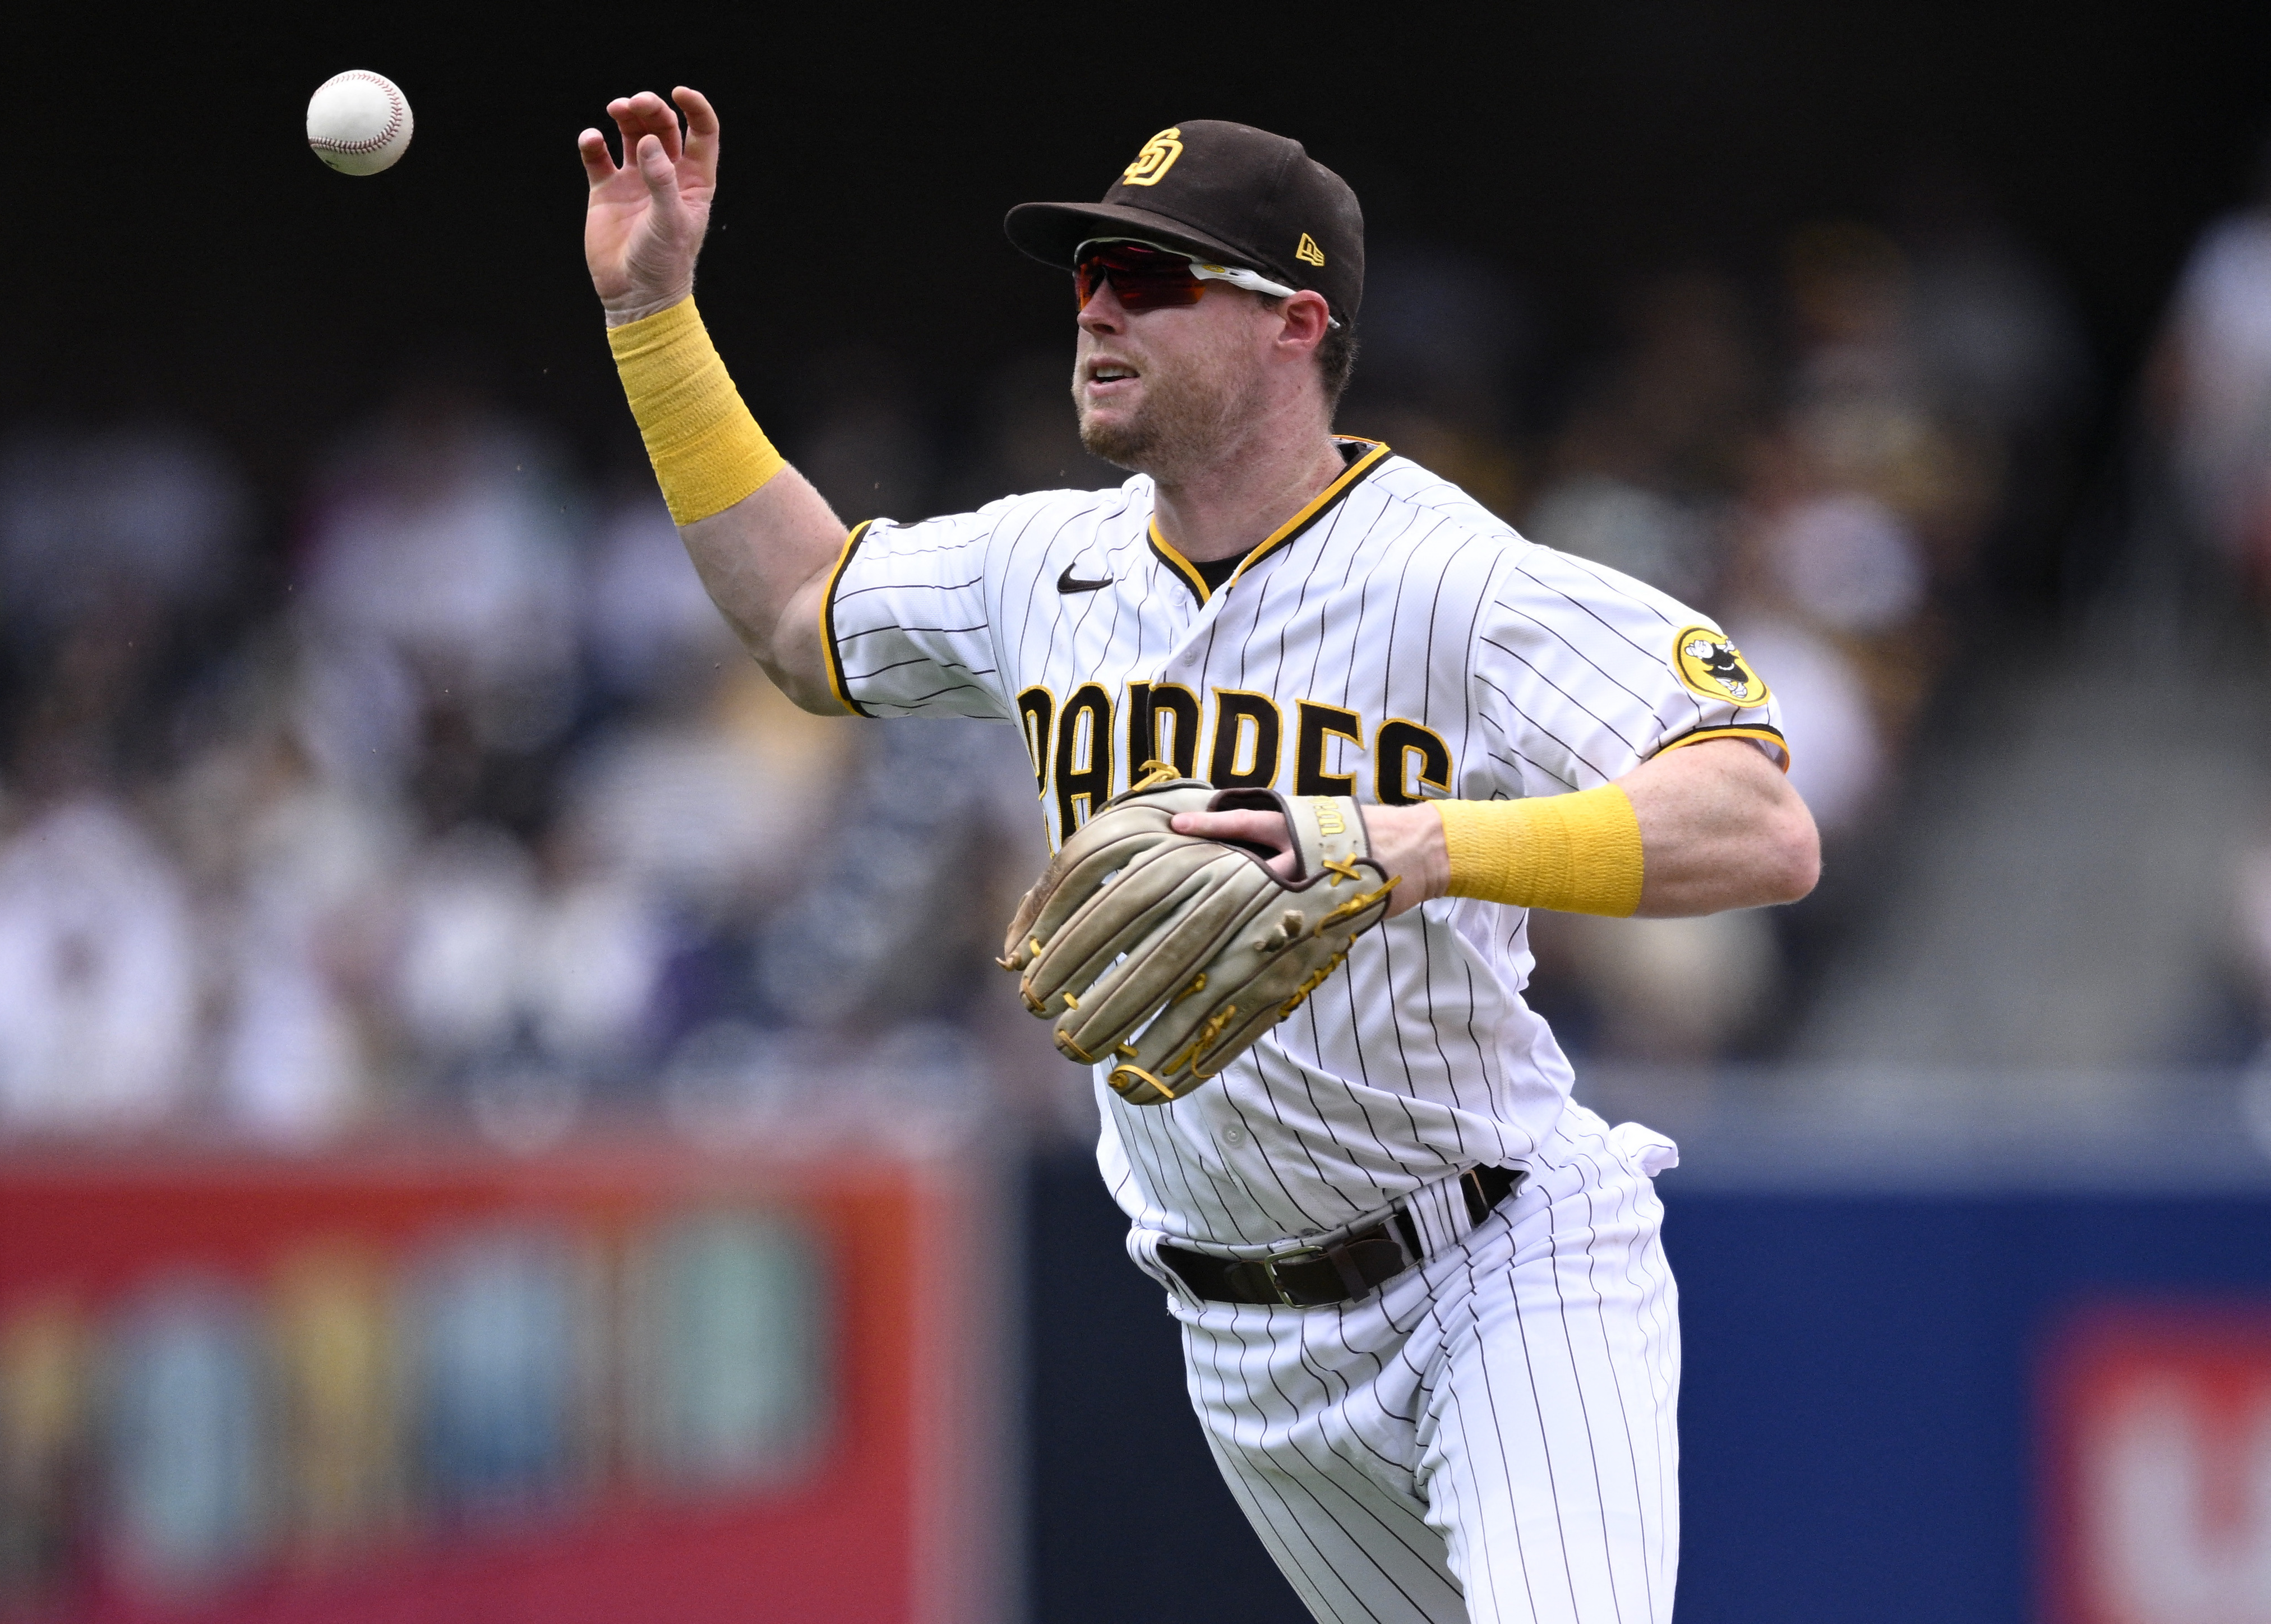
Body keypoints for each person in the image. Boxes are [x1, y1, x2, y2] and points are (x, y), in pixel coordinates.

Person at [580, 91, 1819, 1623]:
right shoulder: (1050, 566)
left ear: (1296, 322)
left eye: (1154, 278)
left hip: (1498, 1267)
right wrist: (653, 319)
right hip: (1239, 1336)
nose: (1096, 305)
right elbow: (802, 619)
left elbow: (1758, 822)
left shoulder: (1455, 582)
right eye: (1091, 271)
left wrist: (1412, 842)